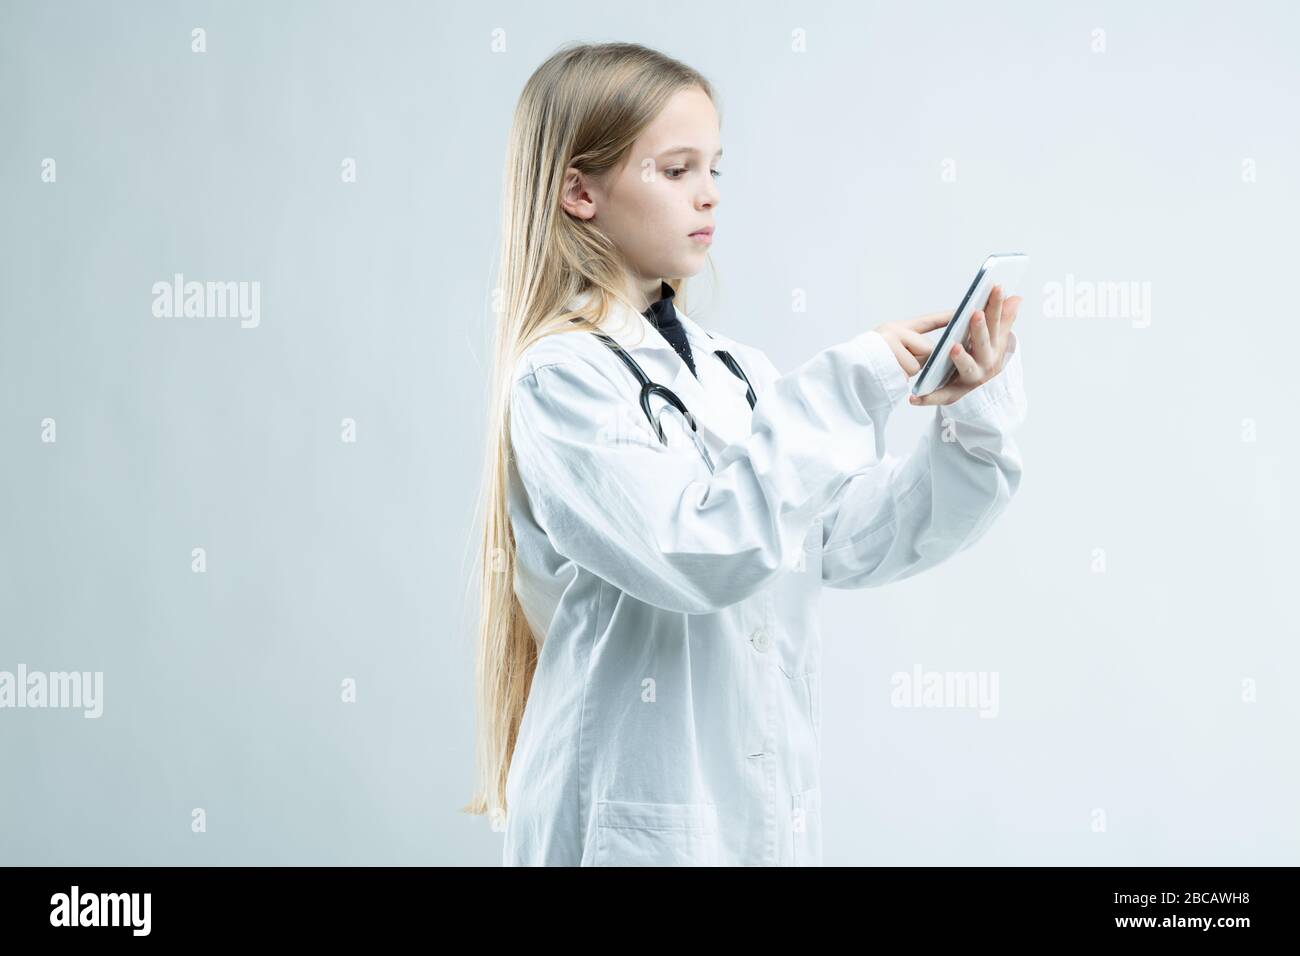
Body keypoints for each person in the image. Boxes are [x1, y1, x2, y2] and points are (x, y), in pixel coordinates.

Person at [462, 41, 1026, 866]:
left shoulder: (737, 374)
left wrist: (971, 418)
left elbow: (855, 538)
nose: (708, 197)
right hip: (629, 827)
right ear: (579, 191)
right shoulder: (560, 382)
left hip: (751, 820)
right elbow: (699, 553)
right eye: (677, 169)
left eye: (716, 169)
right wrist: (852, 378)